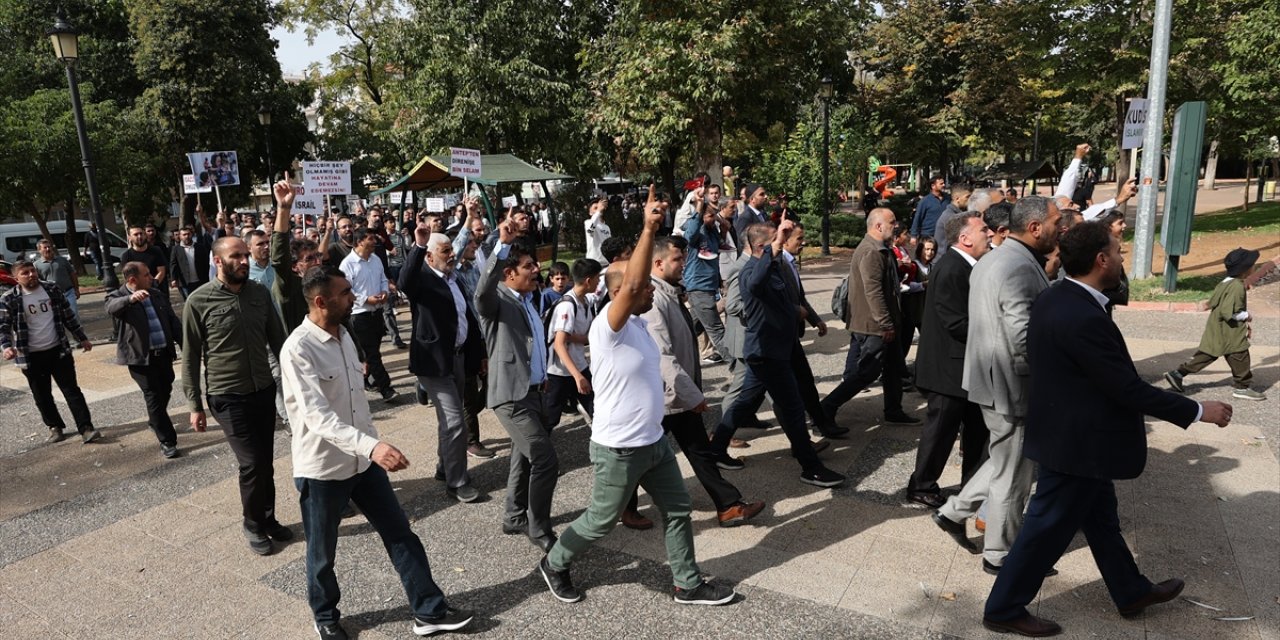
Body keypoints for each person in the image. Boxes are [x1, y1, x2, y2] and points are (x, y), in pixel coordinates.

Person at [981, 222, 1232, 637]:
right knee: (1044, 529)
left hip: (1072, 438)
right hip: (1077, 444)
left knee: (1101, 520)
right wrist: (1197, 409)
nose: (1121, 258)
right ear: (1100, 260)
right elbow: (1126, 388)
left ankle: (1129, 590)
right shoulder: (1080, 314)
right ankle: (1004, 608)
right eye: (1117, 252)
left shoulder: (1055, 296)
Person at [538, 188, 737, 606]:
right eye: (642, 287)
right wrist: (649, 227)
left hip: (653, 443)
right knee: (600, 520)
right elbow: (630, 285)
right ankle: (555, 561)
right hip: (619, 449)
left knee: (678, 510)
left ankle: (687, 583)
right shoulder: (607, 330)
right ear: (619, 295)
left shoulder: (642, 328)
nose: (649, 291)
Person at [280, 265, 474, 640]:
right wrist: (375, 446)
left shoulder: (344, 334)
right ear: (321, 301)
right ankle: (325, 617)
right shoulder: (298, 349)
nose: (353, 297)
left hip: (363, 463)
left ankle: (429, 611)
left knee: (401, 534)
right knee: (322, 554)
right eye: (345, 293)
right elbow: (317, 417)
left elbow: (355, 402)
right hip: (322, 469)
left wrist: (370, 447)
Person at [931, 196, 1061, 572]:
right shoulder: (1017, 265)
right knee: (1014, 472)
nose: (1059, 228)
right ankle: (999, 554)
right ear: (1034, 227)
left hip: (991, 379)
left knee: (1004, 457)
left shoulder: (994, 258)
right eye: (1054, 222)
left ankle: (953, 512)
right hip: (1011, 384)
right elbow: (1023, 335)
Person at [711, 221, 848, 487]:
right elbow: (752, 288)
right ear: (762, 246)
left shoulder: (774, 265)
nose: (782, 243)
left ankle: (715, 449)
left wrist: (800, 315)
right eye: (776, 240)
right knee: (793, 407)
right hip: (766, 351)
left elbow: (789, 296)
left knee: (743, 403)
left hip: (781, 347)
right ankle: (810, 467)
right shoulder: (751, 269)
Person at [183, 236, 291, 555]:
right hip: (227, 395)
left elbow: (280, 341)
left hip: (262, 389)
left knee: (266, 462)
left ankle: (268, 518)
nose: (244, 261)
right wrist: (194, 404)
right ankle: (253, 524)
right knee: (253, 463)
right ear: (218, 261)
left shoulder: (259, 293)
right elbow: (190, 357)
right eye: (236, 256)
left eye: (246, 255)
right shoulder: (198, 301)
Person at [475, 218, 560, 552]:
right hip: (510, 396)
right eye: (528, 266)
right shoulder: (495, 300)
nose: (535, 270)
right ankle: (539, 529)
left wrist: (545, 379)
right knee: (544, 458)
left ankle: (514, 516)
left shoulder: (528, 300)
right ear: (509, 273)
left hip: (536, 392)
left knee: (523, 458)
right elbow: (482, 291)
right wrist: (502, 244)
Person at [906, 213, 993, 508]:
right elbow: (955, 323)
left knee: (976, 431)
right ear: (965, 238)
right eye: (983, 230)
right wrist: (998, 332)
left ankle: (973, 485)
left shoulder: (964, 266)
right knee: (940, 431)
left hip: (963, 366)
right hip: (948, 369)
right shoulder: (952, 268)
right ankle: (921, 486)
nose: (990, 234)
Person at [399, 230, 486, 503]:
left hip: (458, 359)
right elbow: (404, 281)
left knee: (449, 423)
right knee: (455, 422)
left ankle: (444, 466)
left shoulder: (455, 280)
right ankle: (457, 481)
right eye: (445, 251)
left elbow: (467, 319)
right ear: (429, 256)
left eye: (451, 250)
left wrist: (479, 354)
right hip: (434, 364)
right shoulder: (422, 280)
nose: (451, 256)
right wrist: (418, 244)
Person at [820, 208, 919, 427]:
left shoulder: (881, 249)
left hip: (885, 322)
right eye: (892, 222)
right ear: (878, 226)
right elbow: (873, 291)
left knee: (893, 369)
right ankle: (828, 407)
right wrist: (885, 323)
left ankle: (894, 410)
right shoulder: (872, 252)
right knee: (867, 372)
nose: (896, 226)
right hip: (874, 325)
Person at [0, 260, 100, 444]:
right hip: (30, 355)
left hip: (58, 350)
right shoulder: (9, 299)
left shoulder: (51, 289)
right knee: (42, 394)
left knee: (71, 390)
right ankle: (55, 426)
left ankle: (86, 428)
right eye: (25, 273)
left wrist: (82, 338)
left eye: (33, 271)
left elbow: (67, 315)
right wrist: (6, 347)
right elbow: (3, 326)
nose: (31, 275)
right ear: (16, 278)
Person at [1164, 247, 1267, 402]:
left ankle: (1177, 374)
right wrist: (1247, 316)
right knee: (1241, 357)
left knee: (1207, 355)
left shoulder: (1225, 283)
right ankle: (1242, 388)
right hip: (1230, 331)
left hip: (1216, 328)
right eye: (1253, 264)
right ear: (1244, 270)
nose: (1255, 266)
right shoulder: (1237, 286)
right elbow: (1229, 312)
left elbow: (1213, 302)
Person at [106, 261, 183, 458]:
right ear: (133, 279)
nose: (152, 277)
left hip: (163, 355)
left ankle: (155, 420)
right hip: (140, 359)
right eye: (147, 274)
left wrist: (185, 343)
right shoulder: (118, 296)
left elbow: (173, 321)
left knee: (165, 388)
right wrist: (130, 299)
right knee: (153, 396)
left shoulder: (156, 294)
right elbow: (111, 307)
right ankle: (167, 441)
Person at [340, 228, 397, 401]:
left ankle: (364, 378)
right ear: (359, 242)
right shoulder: (347, 264)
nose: (375, 241)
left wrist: (385, 292)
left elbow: (382, 279)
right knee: (373, 354)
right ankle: (386, 388)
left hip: (376, 313)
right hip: (360, 316)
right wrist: (366, 299)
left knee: (371, 352)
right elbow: (346, 290)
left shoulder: (376, 259)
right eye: (371, 238)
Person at [544, 259, 600, 428]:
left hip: (578, 365)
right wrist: (578, 377)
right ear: (589, 280)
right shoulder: (568, 305)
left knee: (597, 410)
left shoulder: (585, 301)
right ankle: (531, 453)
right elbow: (559, 344)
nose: (599, 283)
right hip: (559, 373)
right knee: (549, 420)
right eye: (597, 278)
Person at [682, 198, 729, 364]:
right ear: (701, 216)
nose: (714, 218)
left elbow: (720, 247)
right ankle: (739, 369)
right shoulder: (696, 230)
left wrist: (723, 230)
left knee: (691, 327)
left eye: (715, 214)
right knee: (716, 329)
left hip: (710, 285)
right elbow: (689, 236)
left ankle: (674, 351)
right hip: (698, 286)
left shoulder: (711, 231)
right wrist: (699, 209)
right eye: (710, 215)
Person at [170, 202, 215, 300]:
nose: (186, 236)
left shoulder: (200, 247)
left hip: (201, 280)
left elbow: (206, 262)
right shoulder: (176, 249)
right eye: (184, 234)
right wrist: (174, 279)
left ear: (191, 234)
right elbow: (173, 264)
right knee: (190, 301)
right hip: (185, 282)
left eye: (188, 234)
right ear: (180, 236)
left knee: (204, 300)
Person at [33, 239, 80, 318]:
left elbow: (72, 274)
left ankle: (77, 329)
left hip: (68, 292)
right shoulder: (36, 265)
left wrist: (76, 289)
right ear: (39, 250)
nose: (48, 249)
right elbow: (37, 281)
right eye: (45, 247)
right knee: (56, 317)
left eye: (49, 247)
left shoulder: (62, 260)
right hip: (51, 296)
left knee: (73, 314)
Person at [122, 224, 169, 297]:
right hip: (139, 293)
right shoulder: (126, 256)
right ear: (129, 237)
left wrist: (152, 285)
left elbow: (161, 271)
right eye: (136, 234)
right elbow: (127, 277)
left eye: (141, 234)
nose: (139, 237)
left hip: (159, 290)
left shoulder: (156, 250)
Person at [911, 175, 949, 240]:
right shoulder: (925, 201)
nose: (944, 185)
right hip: (928, 235)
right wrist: (913, 235)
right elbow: (918, 217)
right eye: (941, 184)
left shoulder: (948, 199)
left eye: (943, 183)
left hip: (944, 234)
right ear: (933, 186)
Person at [584, 198, 612, 266]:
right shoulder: (588, 222)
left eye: (600, 207)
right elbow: (590, 230)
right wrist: (598, 211)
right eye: (595, 208)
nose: (599, 209)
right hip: (593, 263)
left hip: (606, 263)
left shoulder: (606, 227)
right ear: (590, 212)